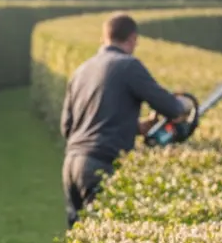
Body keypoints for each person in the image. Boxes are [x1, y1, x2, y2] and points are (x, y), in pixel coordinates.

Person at [59, 13, 188, 229]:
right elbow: (170, 107)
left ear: (105, 37)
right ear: (132, 38)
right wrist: (184, 104)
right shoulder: (128, 66)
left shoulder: (81, 70)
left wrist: (136, 127)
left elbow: (68, 127)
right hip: (100, 164)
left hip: (71, 164)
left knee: (77, 238)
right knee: (101, 236)